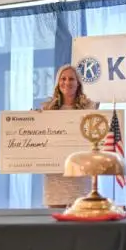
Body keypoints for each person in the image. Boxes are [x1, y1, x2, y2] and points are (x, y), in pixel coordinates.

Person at [42, 64, 98, 208]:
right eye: (63, 79)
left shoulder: (90, 108)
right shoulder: (46, 110)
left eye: (72, 79)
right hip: (55, 181)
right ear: (57, 83)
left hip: (79, 178)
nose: (67, 82)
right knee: (56, 227)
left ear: (78, 83)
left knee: (80, 226)